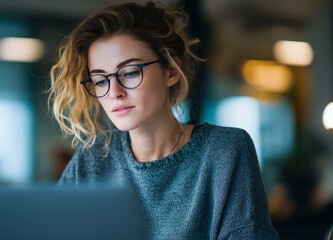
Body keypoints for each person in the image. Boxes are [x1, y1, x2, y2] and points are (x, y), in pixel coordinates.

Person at [49, 1, 279, 239]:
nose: (113, 92)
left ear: (171, 71)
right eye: (100, 80)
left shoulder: (225, 150)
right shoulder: (92, 159)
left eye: (129, 73)